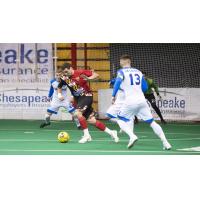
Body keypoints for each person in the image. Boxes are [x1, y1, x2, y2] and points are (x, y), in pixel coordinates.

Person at [112, 55, 171, 149]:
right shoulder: (138, 72)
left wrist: (113, 95)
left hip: (130, 101)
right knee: (152, 122)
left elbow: (117, 83)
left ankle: (132, 136)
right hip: (142, 101)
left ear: (124, 61)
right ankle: (166, 143)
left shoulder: (121, 72)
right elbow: (145, 87)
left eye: (120, 61)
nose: (120, 63)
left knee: (119, 119)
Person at [57, 63, 119, 144]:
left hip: (87, 96)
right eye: (64, 72)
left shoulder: (80, 72)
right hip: (79, 100)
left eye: (66, 71)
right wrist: (59, 94)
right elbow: (59, 86)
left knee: (78, 113)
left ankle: (87, 136)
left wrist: (88, 78)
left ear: (71, 68)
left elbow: (96, 75)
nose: (65, 74)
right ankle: (111, 132)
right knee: (91, 120)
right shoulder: (65, 78)